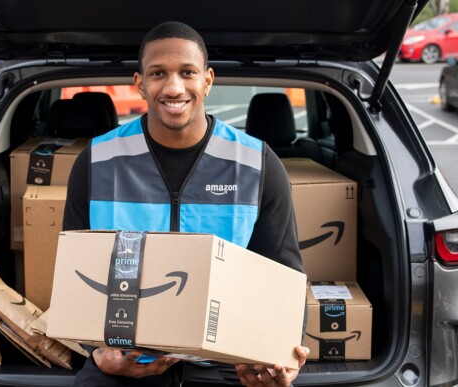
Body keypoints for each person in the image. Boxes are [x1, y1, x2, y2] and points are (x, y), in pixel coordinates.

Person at [63, 21, 309, 387]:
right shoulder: (98, 159)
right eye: (158, 73)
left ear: (207, 80)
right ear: (139, 83)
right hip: (124, 357)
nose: (174, 87)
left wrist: (280, 354)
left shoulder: (257, 162)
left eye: (187, 72)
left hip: (229, 362)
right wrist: (97, 352)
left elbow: (284, 272)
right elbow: (75, 274)